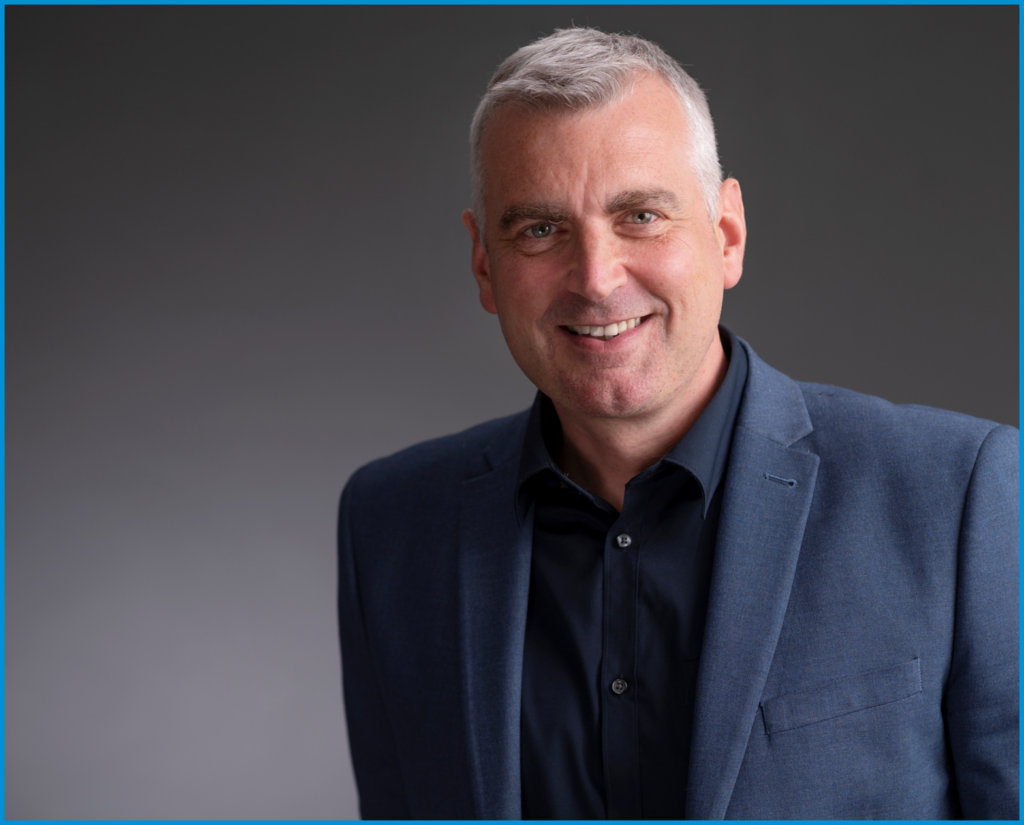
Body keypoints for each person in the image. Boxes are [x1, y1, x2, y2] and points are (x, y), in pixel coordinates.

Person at [337, 27, 1018, 820]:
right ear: (485, 263)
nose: (596, 280)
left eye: (641, 215)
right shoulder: (392, 528)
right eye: (541, 230)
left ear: (726, 235)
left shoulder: (958, 498)